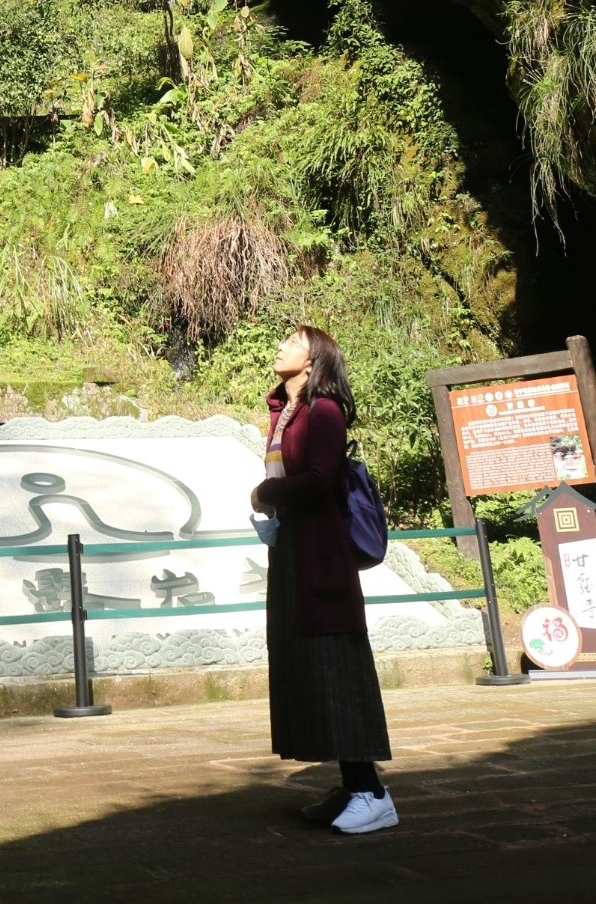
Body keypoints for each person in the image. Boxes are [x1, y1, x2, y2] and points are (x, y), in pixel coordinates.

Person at [251, 325, 397, 835]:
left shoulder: (324, 411)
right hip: (295, 553)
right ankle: (351, 784)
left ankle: (371, 792)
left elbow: (318, 480)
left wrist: (266, 492)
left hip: (322, 558)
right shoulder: (286, 413)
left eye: (291, 343)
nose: (280, 348)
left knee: (336, 663)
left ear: (313, 361)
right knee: (310, 664)